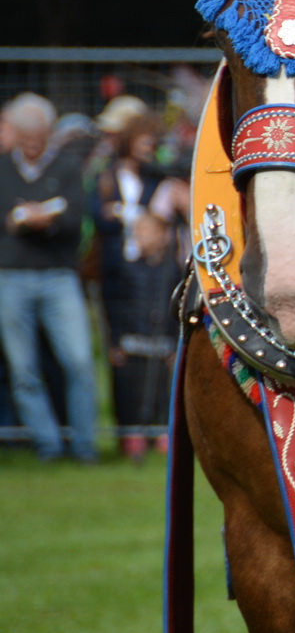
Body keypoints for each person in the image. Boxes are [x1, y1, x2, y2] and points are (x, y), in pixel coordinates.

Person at [0, 93, 99, 463]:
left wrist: (47, 221)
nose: (32, 146)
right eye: (26, 140)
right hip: (10, 279)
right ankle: (48, 445)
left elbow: (76, 220)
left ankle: (86, 445)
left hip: (59, 278)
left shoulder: (67, 167)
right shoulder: (3, 170)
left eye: (38, 139)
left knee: (79, 362)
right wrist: (15, 222)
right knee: (23, 368)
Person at [90, 109, 178, 461]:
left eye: (152, 144)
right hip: (117, 271)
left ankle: (159, 426)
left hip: (154, 267)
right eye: (143, 143)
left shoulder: (158, 179)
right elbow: (97, 215)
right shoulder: (107, 177)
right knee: (122, 351)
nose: (149, 149)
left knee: (159, 350)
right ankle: (129, 429)